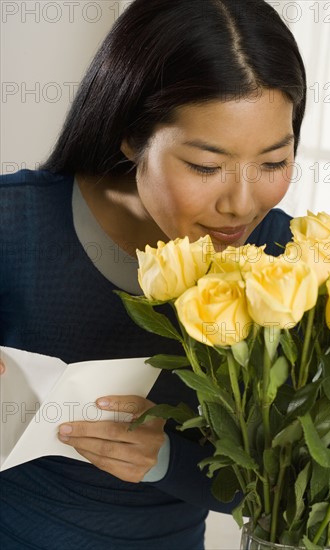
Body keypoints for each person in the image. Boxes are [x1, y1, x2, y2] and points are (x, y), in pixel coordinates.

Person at [0, 0, 307, 548]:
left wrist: (166, 458)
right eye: (206, 167)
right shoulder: (15, 224)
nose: (241, 203)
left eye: (273, 162)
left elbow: (269, 483)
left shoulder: (283, 259)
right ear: (130, 135)